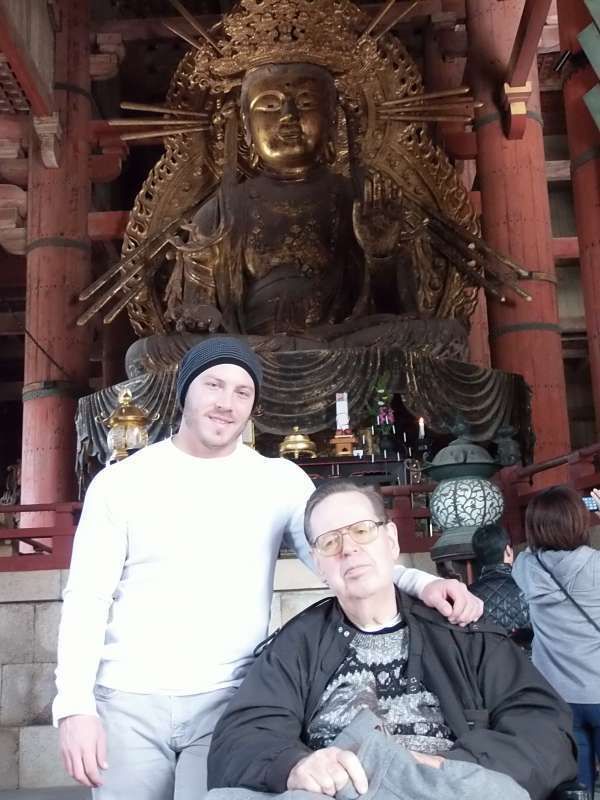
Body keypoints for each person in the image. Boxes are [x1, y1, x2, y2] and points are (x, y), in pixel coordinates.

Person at [54, 336, 483, 800]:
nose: (226, 403)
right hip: (127, 700)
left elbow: (339, 555)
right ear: (184, 392)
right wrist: (74, 707)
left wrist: (422, 582)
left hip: (229, 699)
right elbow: (87, 598)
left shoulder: (276, 481)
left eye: (243, 392)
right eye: (213, 385)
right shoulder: (122, 483)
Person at [208, 480, 577, 800]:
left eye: (362, 531)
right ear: (318, 565)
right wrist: (296, 766)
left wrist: (445, 767)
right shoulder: (296, 646)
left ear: (390, 540)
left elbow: (545, 730)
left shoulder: (462, 630)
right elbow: (239, 738)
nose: (348, 549)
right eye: (330, 542)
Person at [512, 485, 600, 793]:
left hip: (557, 695)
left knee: (576, 784)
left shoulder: (525, 567)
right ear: (579, 521)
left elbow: (527, 553)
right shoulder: (596, 565)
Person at [470, 523, 532, 652]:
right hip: (528, 666)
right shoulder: (528, 588)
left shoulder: (467, 595)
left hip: (488, 668)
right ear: (508, 550)